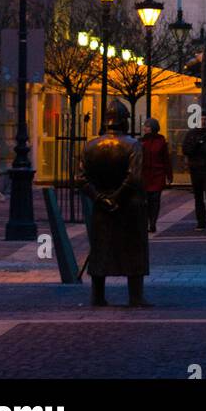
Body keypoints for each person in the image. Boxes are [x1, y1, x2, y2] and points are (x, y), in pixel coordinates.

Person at [79, 100, 150, 308]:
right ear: (123, 121)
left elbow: (81, 178)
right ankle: (135, 296)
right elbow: (134, 178)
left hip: (102, 205)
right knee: (134, 249)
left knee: (101, 248)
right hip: (130, 205)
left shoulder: (91, 145)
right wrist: (116, 198)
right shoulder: (133, 144)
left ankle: (97, 295)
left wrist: (102, 199)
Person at [140, 118, 173, 234]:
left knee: (155, 200)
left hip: (157, 174)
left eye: (147, 126)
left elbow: (166, 159)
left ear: (153, 128)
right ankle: (147, 222)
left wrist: (169, 175)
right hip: (144, 175)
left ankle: (152, 223)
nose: (145, 128)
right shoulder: (141, 142)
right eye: (145, 126)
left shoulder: (161, 141)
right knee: (145, 201)